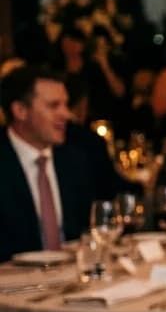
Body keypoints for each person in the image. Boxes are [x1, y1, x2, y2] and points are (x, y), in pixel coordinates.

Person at [0, 65, 118, 261]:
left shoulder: (77, 156)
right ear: (20, 110)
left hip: (73, 278)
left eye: (66, 105)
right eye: (54, 106)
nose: (67, 114)